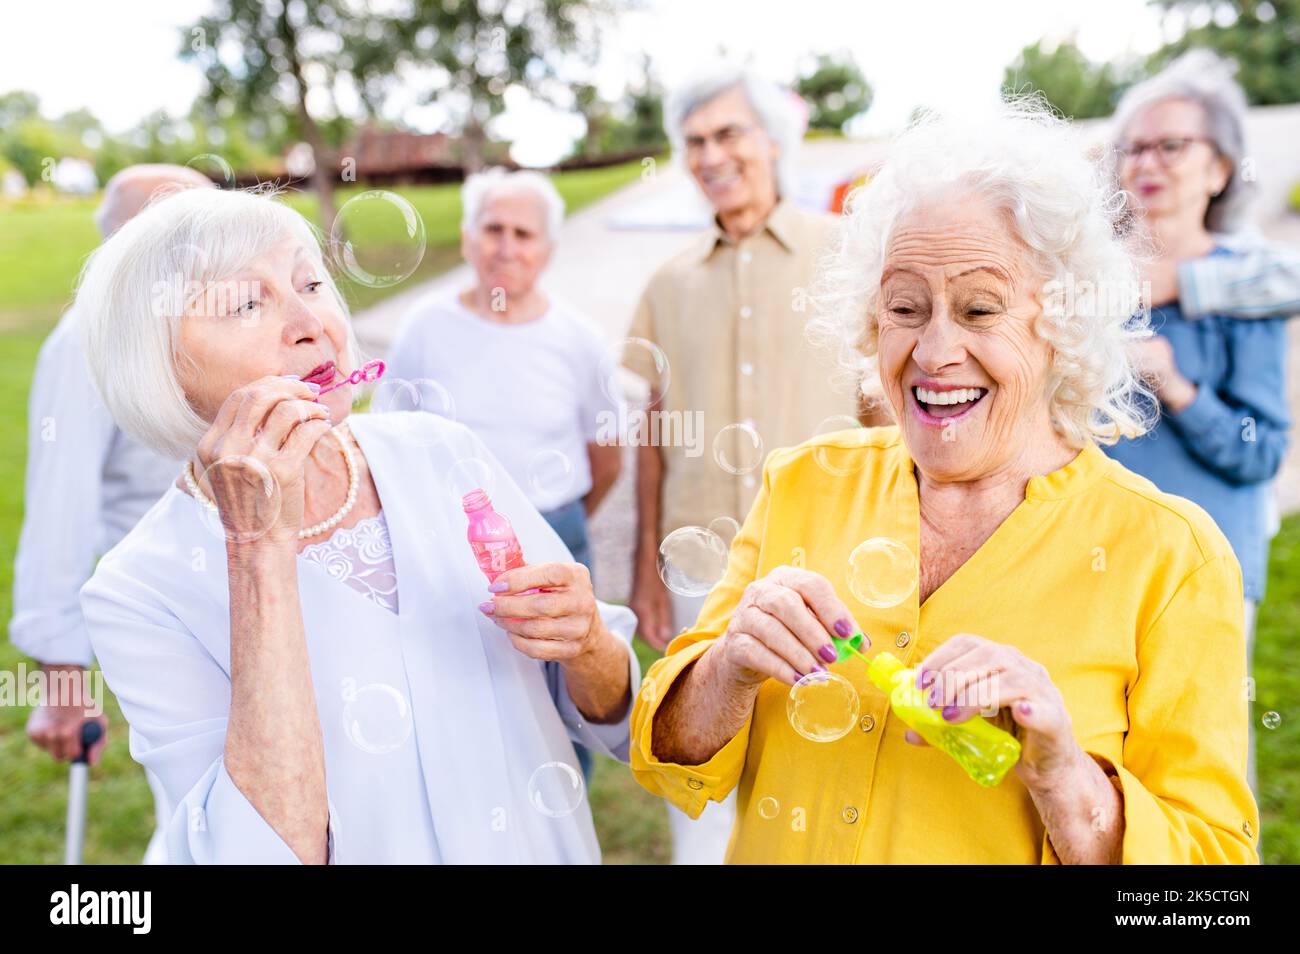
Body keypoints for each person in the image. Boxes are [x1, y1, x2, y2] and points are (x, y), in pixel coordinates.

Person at [629, 100, 1259, 864]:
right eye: (905, 307)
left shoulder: (1171, 557)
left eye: (979, 309)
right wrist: (727, 666)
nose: (933, 351)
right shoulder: (803, 484)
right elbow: (671, 754)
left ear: (1062, 322)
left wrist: (1062, 772)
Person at [74, 186, 638, 863]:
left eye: (310, 283)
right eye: (247, 303)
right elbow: (260, 853)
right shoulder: (139, 589)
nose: (310, 321)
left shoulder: (443, 452)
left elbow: (616, 719)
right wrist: (257, 547)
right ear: (161, 366)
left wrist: (589, 645)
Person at [622, 67, 870, 864]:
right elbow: (654, 434)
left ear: (773, 141)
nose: (711, 154)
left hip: (834, 560)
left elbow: (883, 406)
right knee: (699, 756)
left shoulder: (846, 256)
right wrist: (643, 571)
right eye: (695, 142)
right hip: (703, 565)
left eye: (729, 133)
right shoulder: (667, 282)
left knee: (828, 765)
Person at [386, 169, 623, 786]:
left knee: (563, 694)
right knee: (463, 691)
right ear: (468, 239)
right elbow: (390, 439)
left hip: (554, 532)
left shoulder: (578, 339)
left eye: (524, 232)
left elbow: (607, 456)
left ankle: (565, 803)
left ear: (547, 249)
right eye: (493, 228)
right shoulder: (424, 327)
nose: (507, 245)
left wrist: (555, 524)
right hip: (443, 545)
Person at [11, 163, 213, 864]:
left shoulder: (225, 325)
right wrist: (65, 682)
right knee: (207, 815)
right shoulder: (87, 343)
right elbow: (59, 515)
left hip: (261, 592)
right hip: (174, 619)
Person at [1103, 51, 1291, 797]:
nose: (1149, 162)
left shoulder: (1252, 284)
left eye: (1172, 145)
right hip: (1095, 559)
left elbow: (1261, 452)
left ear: (1220, 169)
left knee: (1195, 769)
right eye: (1134, 147)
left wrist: (1173, 384)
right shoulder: (1090, 279)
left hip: (1203, 569)